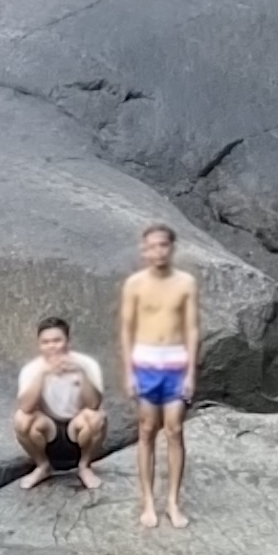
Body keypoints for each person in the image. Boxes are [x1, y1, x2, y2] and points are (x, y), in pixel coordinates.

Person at [118, 221, 199, 529]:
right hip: (146, 363)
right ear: (144, 250)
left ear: (172, 248)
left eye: (163, 245)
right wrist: (129, 372)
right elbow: (127, 330)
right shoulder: (135, 284)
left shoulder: (185, 283)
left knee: (175, 429)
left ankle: (173, 502)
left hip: (175, 363)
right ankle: (148, 501)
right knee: (147, 429)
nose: (158, 252)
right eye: (151, 246)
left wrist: (191, 373)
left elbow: (191, 329)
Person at [15, 315, 106, 492]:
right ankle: (42, 466)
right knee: (22, 419)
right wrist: (43, 375)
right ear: (39, 345)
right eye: (46, 342)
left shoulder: (86, 364)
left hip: (77, 430)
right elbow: (26, 407)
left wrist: (81, 374)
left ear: (68, 341)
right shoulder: (32, 369)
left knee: (96, 417)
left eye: (57, 341)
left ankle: (84, 466)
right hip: (48, 431)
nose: (52, 346)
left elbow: (94, 404)